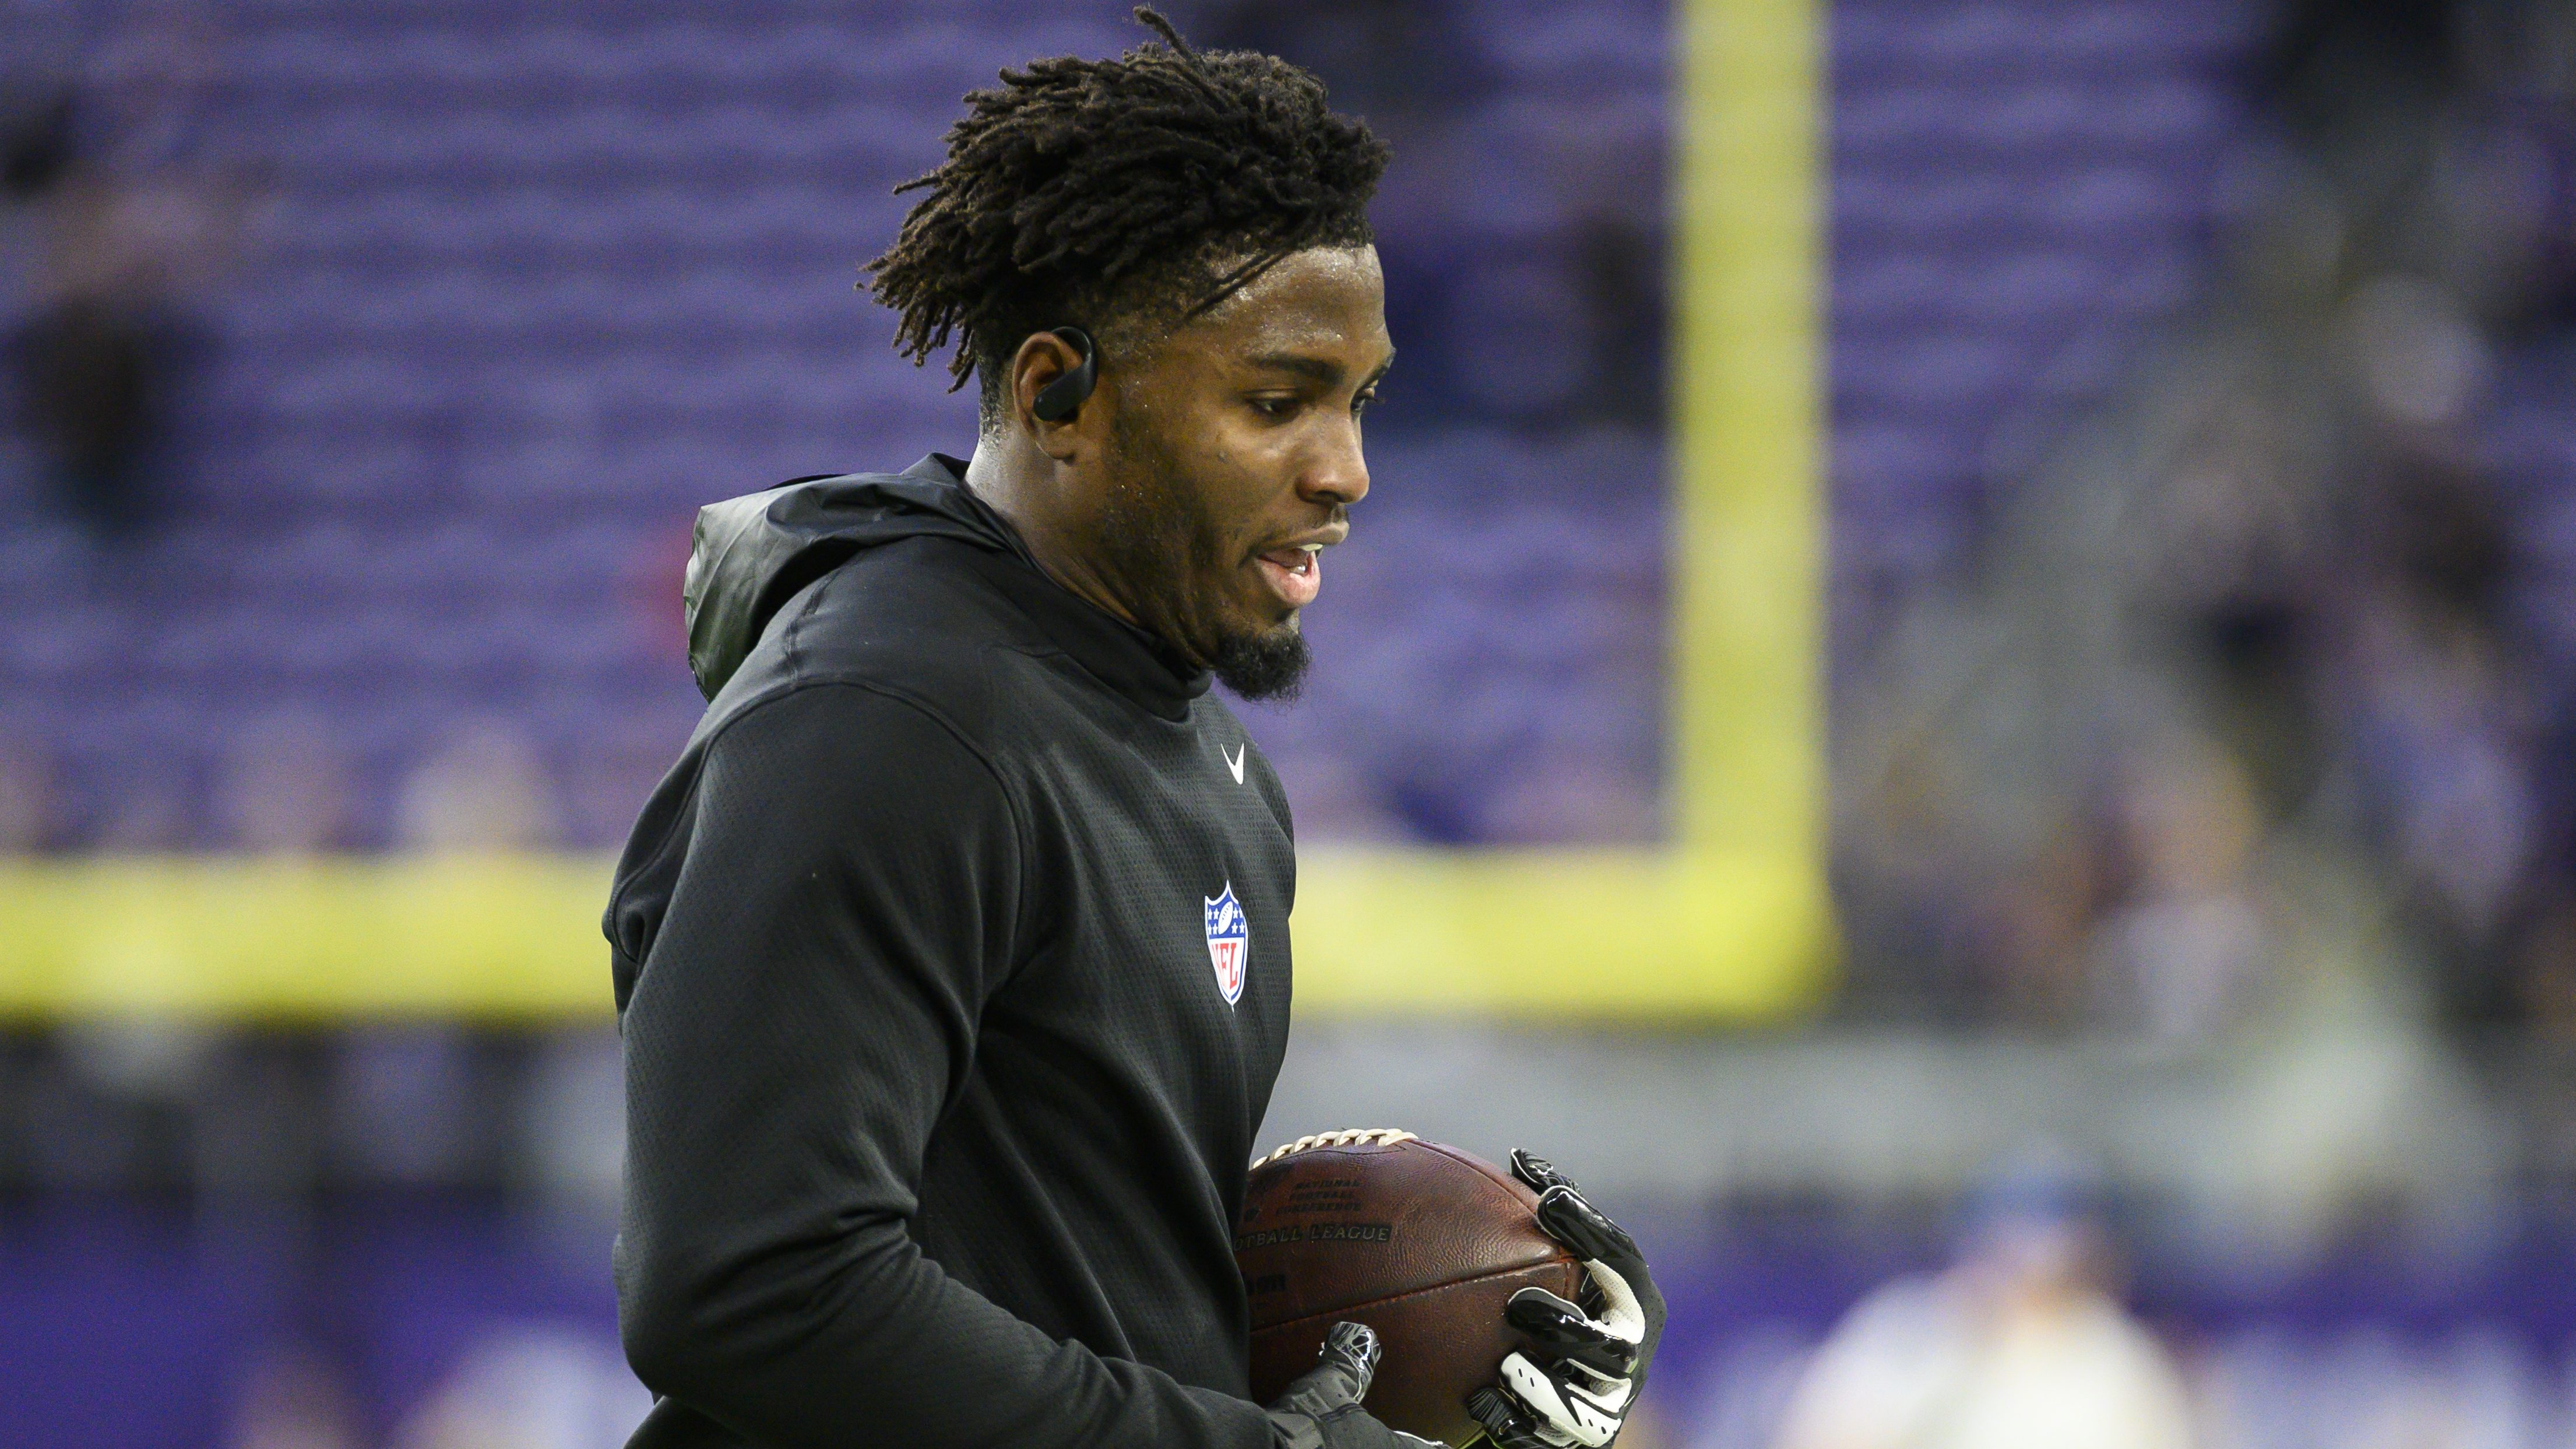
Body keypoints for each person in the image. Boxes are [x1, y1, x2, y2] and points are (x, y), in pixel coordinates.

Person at [603, 12, 1663, 1449]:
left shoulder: (1206, 762)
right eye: (1276, 401)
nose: (1346, 471)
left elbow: (1075, 1291)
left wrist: (1477, 1342)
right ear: (1059, 396)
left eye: (1358, 404)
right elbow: (753, 1285)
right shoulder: (880, 721)